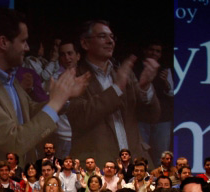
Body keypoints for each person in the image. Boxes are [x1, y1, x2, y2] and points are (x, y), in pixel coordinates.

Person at [0, 8, 89, 165]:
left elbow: (29, 111)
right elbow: (13, 142)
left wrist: (64, 98)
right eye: (23, 41)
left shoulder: (7, 76)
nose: (27, 48)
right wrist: (55, 102)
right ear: (3, 42)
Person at [68, 19, 160, 166]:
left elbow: (152, 116)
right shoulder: (74, 77)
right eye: (103, 36)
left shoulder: (123, 73)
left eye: (111, 37)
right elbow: (81, 118)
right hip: (98, 168)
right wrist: (116, 89)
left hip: (135, 165)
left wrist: (145, 87)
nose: (110, 41)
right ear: (85, 43)